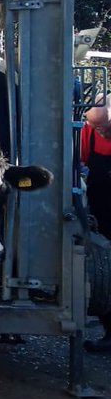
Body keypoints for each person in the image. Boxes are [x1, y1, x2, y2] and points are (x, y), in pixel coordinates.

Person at [81, 94, 111, 352]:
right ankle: (109, 332)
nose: (101, 131)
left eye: (105, 127)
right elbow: (79, 162)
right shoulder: (89, 134)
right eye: (97, 127)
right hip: (102, 212)